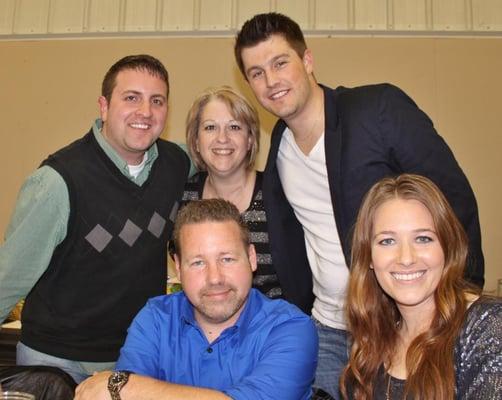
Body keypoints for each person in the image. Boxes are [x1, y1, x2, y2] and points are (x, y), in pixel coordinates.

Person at [234, 12, 484, 398]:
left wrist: (461, 297)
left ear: (308, 61)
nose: (271, 81)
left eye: (280, 63)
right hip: (329, 328)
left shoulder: (375, 110)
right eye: (256, 73)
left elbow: (454, 199)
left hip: (401, 326)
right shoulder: (280, 148)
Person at [0, 54, 190, 383]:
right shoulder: (57, 182)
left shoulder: (176, 164)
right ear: (104, 106)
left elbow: (218, 153)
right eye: (131, 98)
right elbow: (7, 279)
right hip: (56, 362)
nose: (145, 112)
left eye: (156, 101)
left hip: (134, 359)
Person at [74, 199, 318, 400]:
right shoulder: (155, 318)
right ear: (178, 268)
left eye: (227, 259)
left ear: (252, 258)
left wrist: (127, 387)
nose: (215, 278)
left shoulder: (290, 328)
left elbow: (123, 393)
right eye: (198, 262)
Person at [340, 174, 501, 399]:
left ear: (448, 247)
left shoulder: (488, 327)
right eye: (387, 241)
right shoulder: (370, 346)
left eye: (423, 238)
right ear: (368, 257)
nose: (406, 258)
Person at [182, 86, 281, 299]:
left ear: (250, 140)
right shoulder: (182, 196)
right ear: (196, 142)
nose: (222, 138)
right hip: (205, 322)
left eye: (234, 127)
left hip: (274, 325)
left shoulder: (280, 194)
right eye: (210, 128)